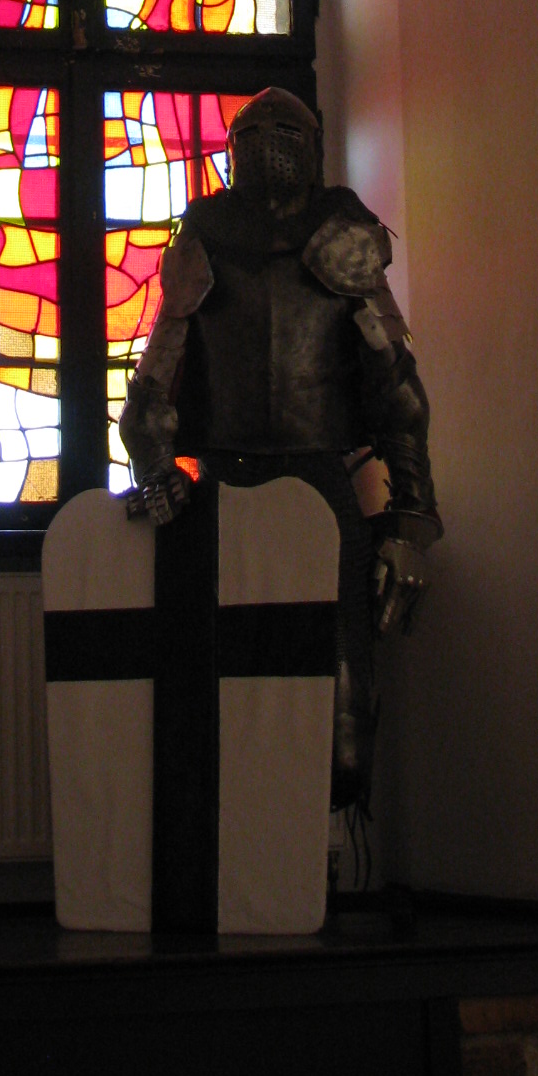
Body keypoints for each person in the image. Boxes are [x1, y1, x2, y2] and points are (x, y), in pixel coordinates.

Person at [120, 87, 442, 808]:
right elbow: (152, 391)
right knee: (214, 707)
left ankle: (311, 853)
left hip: (320, 481)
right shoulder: (206, 232)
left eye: (284, 131)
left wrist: (410, 525)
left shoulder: (341, 235)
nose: (269, 143)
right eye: (254, 132)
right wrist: (156, 468)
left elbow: (397, 392)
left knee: (341, 730)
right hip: (219, 485)